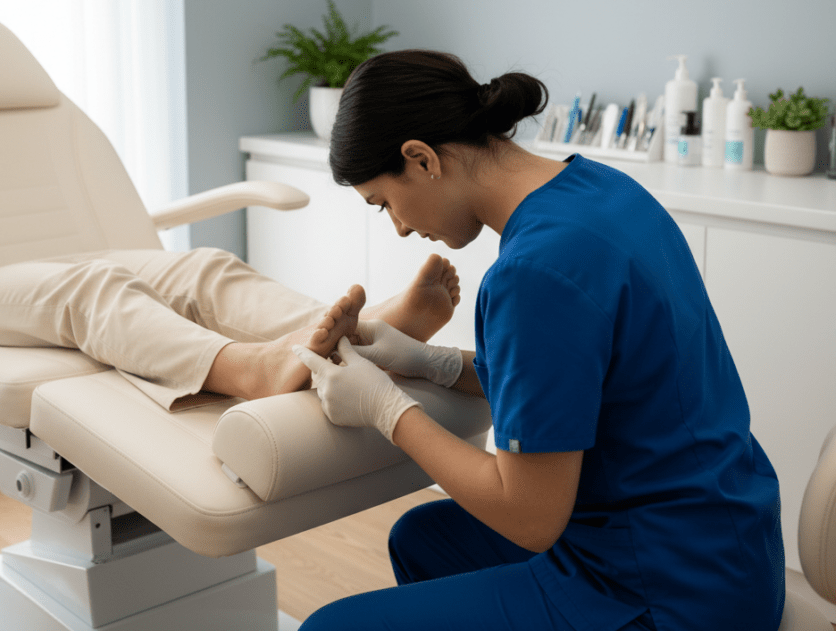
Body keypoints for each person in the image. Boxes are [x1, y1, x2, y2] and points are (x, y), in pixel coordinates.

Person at [293, 50, 785, 631]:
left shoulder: (533, 272)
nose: (399, 226)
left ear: (421, 159)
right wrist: (431, 362)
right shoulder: (603, 190)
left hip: (667, 589)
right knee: (423, 539)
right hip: (731, 543)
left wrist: (383, 406)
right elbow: (584, 380)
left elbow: (529, 518)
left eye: (383, 203)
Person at [0, 245, 459, 409]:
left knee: (205, 268)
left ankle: (366, 334)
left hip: (72, 253)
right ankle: (250, 370)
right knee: (97, 286)